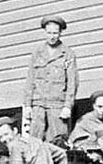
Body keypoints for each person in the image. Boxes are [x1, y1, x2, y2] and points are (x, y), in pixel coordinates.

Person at [23, 15, 79, 143]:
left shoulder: (67, 54)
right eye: (49, 33)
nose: (52, 36)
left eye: (55, 33)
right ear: (45, 32)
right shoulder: (37, 53)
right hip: (38, 103)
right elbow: (30, 80)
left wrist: (67, 106)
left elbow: (72, 82)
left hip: (57, 104)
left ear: (60, 33)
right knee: (34, 140)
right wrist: (27, 105)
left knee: (57, 140)